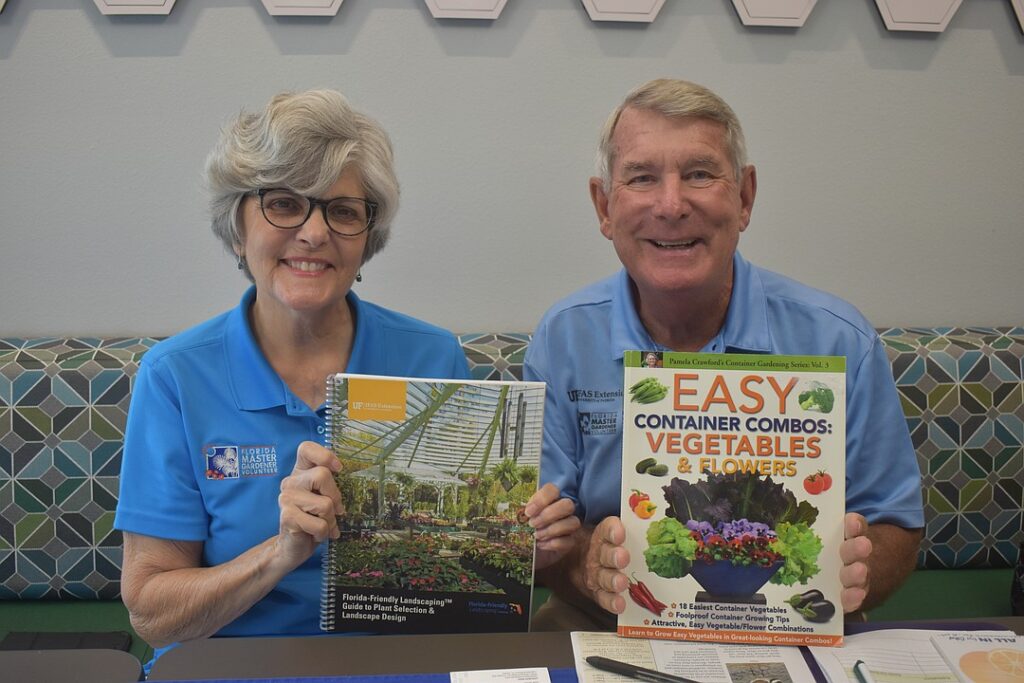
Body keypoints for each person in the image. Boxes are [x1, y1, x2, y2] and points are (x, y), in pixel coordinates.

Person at [113, 89, 574, 667]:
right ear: (237, 228)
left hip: (406, 663)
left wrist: (528, 542)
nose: (313, 233)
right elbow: (153, 615)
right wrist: (279, 554)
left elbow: (465, 585)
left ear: (366, 240)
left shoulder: (432, 357)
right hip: (238, 664)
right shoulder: (177, 376)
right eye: (283, 203)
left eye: (343, 211)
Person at [523, 78, 924, 630]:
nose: (671, 205)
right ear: (604, 206)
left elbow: (896, 524)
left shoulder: (840, 341)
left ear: (744, 198)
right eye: (641, 177)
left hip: (796, 627)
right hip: (602, 619)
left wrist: (860, 569)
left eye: (699, 174)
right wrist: (583, 565)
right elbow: (547, 536)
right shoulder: (563, 337)